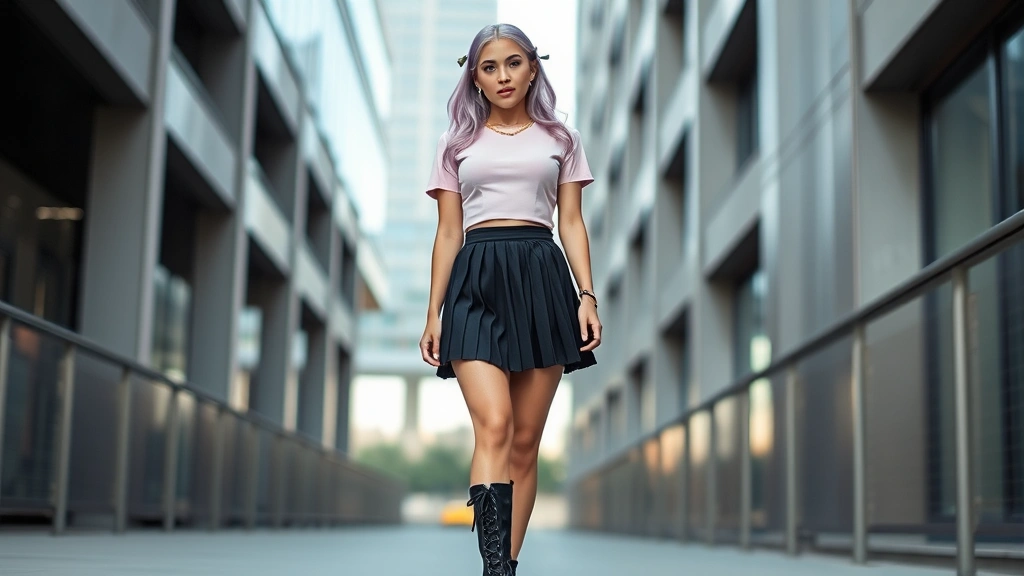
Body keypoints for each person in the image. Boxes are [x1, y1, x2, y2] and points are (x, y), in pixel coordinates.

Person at [419, 23, 602, 576]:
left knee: (525, 442)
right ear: (473, 76)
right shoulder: (455, 144)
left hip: (542, 276)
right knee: (493, 424)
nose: (503, 76)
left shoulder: (561, 141)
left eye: (514, 63)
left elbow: (571, 220)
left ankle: (507, 565)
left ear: (533, 67)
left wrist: (586, 294)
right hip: (474, 277)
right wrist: (433, 312)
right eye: (489, 66)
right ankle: (493, 568)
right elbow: (448, 232)